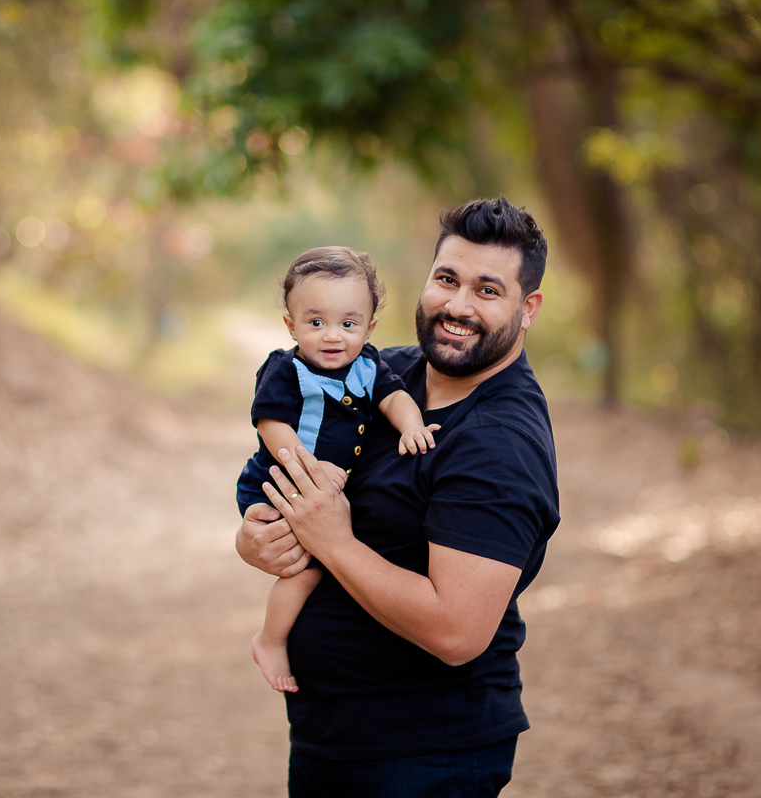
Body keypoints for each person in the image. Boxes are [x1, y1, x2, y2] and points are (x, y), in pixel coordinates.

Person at [237, 196, 560, 798]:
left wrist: (332, 542)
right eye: (447, 279)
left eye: (488, 291)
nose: (458, 306)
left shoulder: (499, 442)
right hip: (334, 735)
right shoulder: (387, 376)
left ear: (528, 307)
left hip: (424, 755)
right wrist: (257, 539)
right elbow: (286, 466)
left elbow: (457, 631)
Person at [237, 246, 439, 693]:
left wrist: (412, 427)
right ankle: (271, 639)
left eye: (348, 324)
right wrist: (309, 470)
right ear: (291, 325)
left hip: (323, 492)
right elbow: (272, 424)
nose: (332, 336)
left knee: (325, 557)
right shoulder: (286, 368)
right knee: (306, 566)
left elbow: (395, 399)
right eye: (315, 323)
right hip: (281, 483)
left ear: (369, 327)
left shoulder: (370, 366)